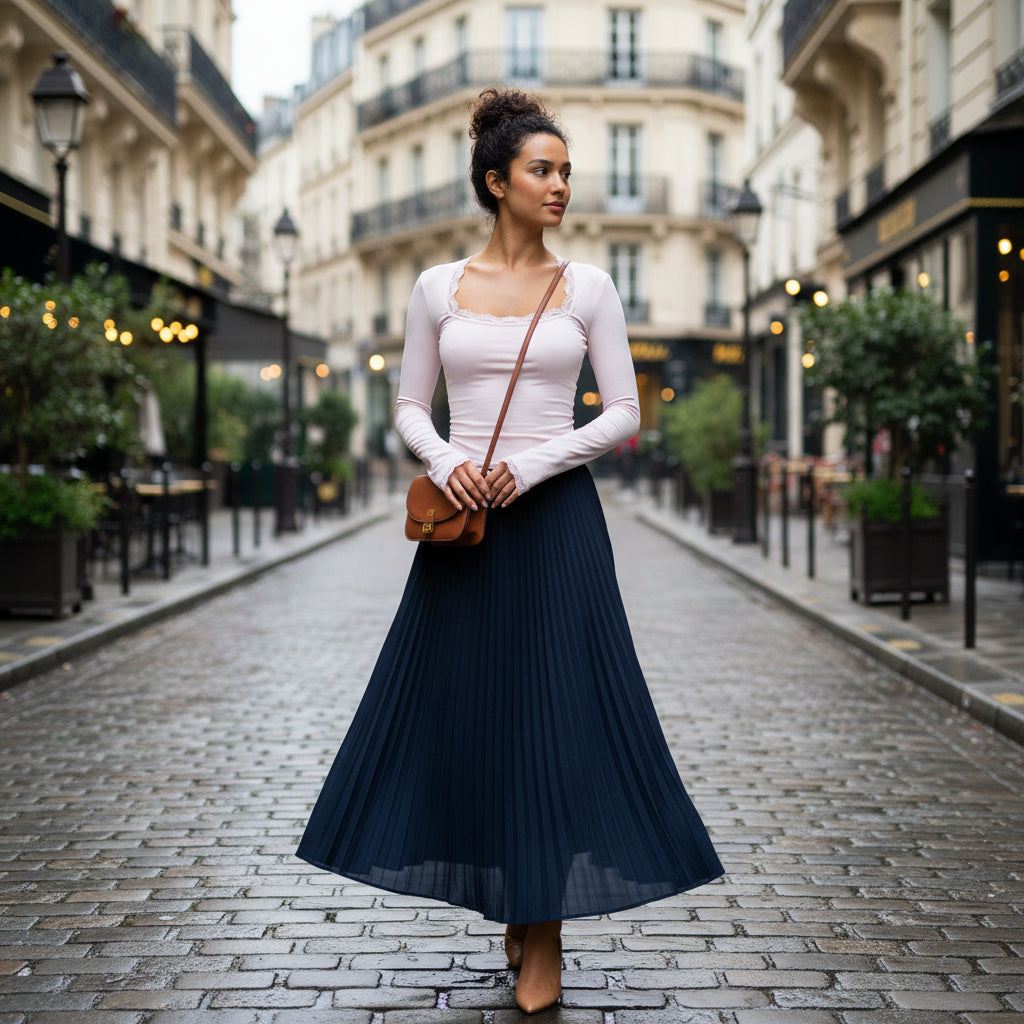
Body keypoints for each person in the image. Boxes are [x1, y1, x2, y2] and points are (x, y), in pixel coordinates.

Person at [296, 88, 723, 1014]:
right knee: (476, 715)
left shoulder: (592, 289)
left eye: (567, 170)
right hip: (465, 528)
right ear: (496, 182)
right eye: (543, 169)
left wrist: (525, 470)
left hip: (557, 525)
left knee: (556, 717)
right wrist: (451, 464)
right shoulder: (437, 289)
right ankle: (516, 892)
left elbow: (622, 412)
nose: (561, 184)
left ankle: (544, 935)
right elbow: (412, 405)